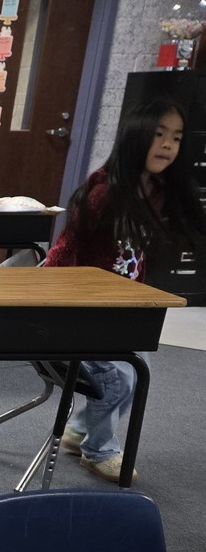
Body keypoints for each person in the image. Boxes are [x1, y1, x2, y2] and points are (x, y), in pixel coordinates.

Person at [45, 98, 205, 482]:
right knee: (122, 376)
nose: (168, 144)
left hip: (115, 313)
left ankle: (80, 429)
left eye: (176, 137)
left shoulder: (156, 189)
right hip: (76, 312)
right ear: (136, 138)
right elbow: (66, 252)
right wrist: (54, 308)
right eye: (159, 134)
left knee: (141, 364)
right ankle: (98, 450)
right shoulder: (104, 194)